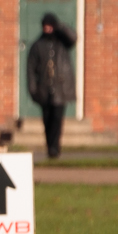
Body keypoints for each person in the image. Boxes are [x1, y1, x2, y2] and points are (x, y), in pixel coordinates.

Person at [25, 12, 76, 158]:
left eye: (50, 26)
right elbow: (31, 69)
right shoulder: (37, 46)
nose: (47, 29)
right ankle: (50, 147)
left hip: (61, 89)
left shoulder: (62, 42)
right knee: (47, 120)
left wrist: (60, 26)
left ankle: (55, 148)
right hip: (44, 90)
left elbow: (74, 38)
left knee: (57, 119)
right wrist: (33, 90)